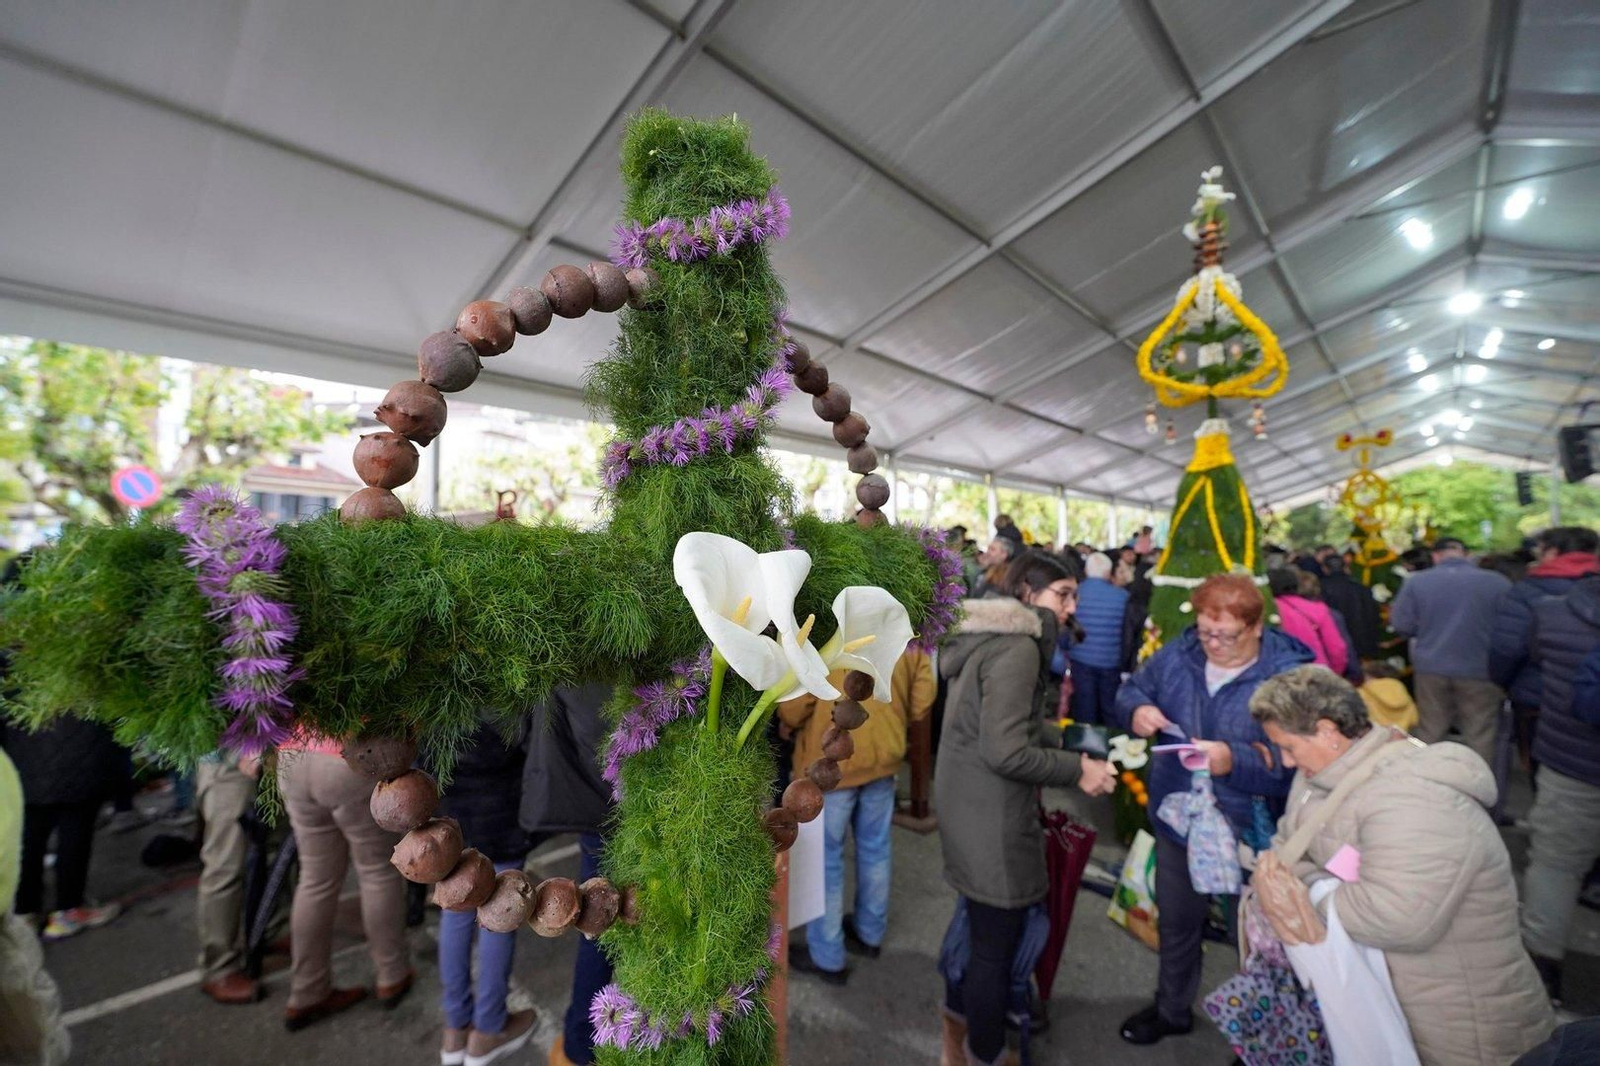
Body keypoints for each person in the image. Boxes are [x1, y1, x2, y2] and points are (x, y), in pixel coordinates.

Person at [1251, 666, 1554, 1063]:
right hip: (1398, 1006)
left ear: (1327, 731)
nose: (1286, 762)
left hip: (1463, 1027)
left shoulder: (1413, 798)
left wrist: (1300, 890)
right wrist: (1314, 878)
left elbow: (1394, 918)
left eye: (1289, 747)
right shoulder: (1321, 774)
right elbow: (1286, 846)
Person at [1110, 573, 1313, 1046]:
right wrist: (1136, 709)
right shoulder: (1179, 656)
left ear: (1257, 627)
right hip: (1181, 817)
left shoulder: (1290, 677)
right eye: (1205, 632)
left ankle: (1266, 1037)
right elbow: (1131, 690)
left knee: (1265, 936)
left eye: (1227, 635)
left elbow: (1302, 759)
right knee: (1178, 922)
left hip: (1253, 825)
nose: (1214, 644)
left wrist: (1233, 760)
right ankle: (1171, 1009)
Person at [936, 550, 1115, 1066]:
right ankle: (985, 1052)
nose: (1072, 606)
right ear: (1026, 596)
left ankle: (960, 1019)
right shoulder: (1018, 649)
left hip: (969, 805)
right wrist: (1077, 770)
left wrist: (1068, 741)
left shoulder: (993, 637)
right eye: (1063, 595)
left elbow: (1002, 727)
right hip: (989, 818)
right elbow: (1007, 750)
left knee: (980, 925)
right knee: (996, 945)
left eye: (1075, 594)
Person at [781, 647, 935, 984]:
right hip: (885, 761)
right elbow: (923, 698)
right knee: (876, 848)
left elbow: (794, 707)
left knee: (826, 860)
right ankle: (870, 933)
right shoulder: (904, 633)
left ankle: (827, 955)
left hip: (831, 772)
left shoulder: (832, 637)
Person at [277, 733, 412, 1031]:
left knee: (314, 880)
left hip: (291, 758)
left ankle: (307, 990)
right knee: (377, 871)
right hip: (345, 758)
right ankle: (392, 974)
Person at [430, 718, 535, 1066]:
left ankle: (455, 1029)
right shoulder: (501, 674)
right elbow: (523, 735)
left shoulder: (434, 671)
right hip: (501, 808)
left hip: (452, 810)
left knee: (455, 910)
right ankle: (488, 1029)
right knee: (500, 911)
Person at [1519, 568, 1600, 1006]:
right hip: (1574, 759)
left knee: (1555, 866)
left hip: (1571, 762)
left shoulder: (1552, 614)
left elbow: (1515, 659)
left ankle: (1542, 972)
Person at [521, 683, 612, 1066]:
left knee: (601, 926)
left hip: (601, 801)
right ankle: (580, 1044)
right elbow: (595, 727)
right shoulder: (605, 653)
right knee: (597, 921)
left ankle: (579, 1043)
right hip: (613, 805)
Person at [1, 713, 124, 940]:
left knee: (30, 834)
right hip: (78, 749)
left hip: (24, 751)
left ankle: (26, 912)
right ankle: (69, 910)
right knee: (75, 829)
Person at [1389, 537, 1510, 765]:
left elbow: (1401, 624)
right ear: (1465, 554)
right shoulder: (1497, 583)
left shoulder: (1417, 583)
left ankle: (1427, 786)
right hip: (1480, 668)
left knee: (1430, 731)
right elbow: (1510, 629)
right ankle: (1480, 789)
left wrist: (1427, 629)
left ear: (1435, 556)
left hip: (1431, 667)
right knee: (1480, 733)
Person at [1489, 526, 1600, 774]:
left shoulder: (1527, 590)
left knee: (1544, 770)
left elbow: (1507, 648)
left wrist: (1504, 683)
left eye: (1539, 549)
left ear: (1552, 552)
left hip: (1538, 697)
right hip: (1585, 703)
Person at [194, 749, 262, 1004]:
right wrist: (244, 750)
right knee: (225, 866)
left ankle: (273, 927)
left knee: (272, 850)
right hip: (227, 765)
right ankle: (218, 968)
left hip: (265, 758)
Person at [1068, 552, 1130, 726]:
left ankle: (1086, 748)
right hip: (1111, 660)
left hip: (1081, 659)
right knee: (1110, 709)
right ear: (1108, 572)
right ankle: (1112, 745)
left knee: (1084, 709)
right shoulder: (1122, 596)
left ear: (1086, 570)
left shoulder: (1075, 593)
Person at [1266, 569, 1348, 676]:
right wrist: (1335, 673)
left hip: (1278, 676)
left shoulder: (1266, 611)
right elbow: (1336, 648)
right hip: (1317, 673)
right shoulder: (1317, 609)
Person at [1317, 555, 1382, 662]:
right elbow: (1374, 615)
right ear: (1346, 567)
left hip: (1336, 645)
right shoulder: (1361, 588)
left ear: (1324, 568)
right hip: (1364, 643)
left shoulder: (1320, 590)